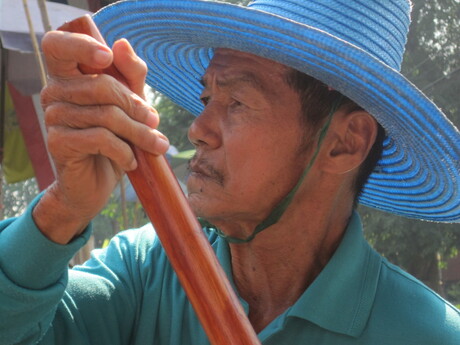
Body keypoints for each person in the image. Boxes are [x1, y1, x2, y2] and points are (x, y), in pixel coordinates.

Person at [1, 0, 459, 344]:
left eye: (236, 102)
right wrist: (64, 209)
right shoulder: (143, 273)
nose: (198, 130)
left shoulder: (424, 333)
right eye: (206, 99)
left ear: (346, 142)